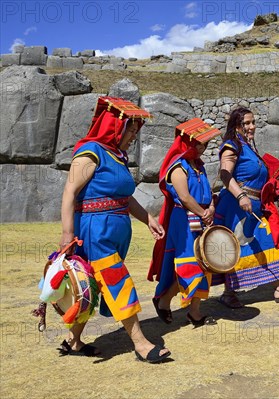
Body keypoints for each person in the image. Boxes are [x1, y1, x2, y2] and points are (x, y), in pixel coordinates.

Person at [59, 96, 171, 362]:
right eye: (130, 129)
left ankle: (73, 341)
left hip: (115, 231)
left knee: (95, 286)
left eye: (135, 130)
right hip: (95, 232)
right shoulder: (90, 153)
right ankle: (141, 344)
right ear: (113, 125)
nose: (133, 135)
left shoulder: (118, 156)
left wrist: (148, 219)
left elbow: (125, 197)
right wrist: (67, 236)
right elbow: (69, 193)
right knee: (116, 281)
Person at [213, 107, 279, 308]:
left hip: (253, 208)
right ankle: (229, 293)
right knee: (236, 248)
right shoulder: (232, 145)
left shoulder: (248, 147)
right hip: (236, 208)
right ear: (236, 126)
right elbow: (224, 175)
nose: (251, 126)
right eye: (246, 123)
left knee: (267, 241)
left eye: (253, 122)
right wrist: (241, 196)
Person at [148, 118, 222, 326]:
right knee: (192, 265)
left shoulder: (199, 166)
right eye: (200, 143)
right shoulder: (178, 167)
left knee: (206, 263)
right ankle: (164, 299)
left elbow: (208, 195)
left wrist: (211, 208)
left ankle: (195, 312)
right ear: (188, 142)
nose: (203, 148)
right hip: (184, 222)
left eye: (205, 144)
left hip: (202, 218)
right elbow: (185, 197)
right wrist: (203, 212)